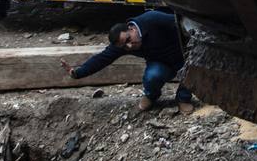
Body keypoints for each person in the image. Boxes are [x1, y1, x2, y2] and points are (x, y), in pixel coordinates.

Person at [60, 11, 194, 114]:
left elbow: (183, 23)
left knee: (195, 68)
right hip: (161, 64)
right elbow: (101, 59)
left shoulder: (152, 19)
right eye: (124, 46)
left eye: (129, 40)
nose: (129, 46)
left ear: (131, 29)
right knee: (152, 76)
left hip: (185, 57)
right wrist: (78, 73)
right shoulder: (122, 44)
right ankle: (151, 96)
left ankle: (183, 98)